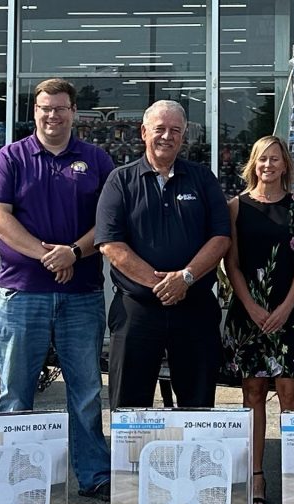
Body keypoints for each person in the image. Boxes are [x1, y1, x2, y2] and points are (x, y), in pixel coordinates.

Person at [0, 78, 114, 502]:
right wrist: (48, 256)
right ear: (34, 112)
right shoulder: (10, 158)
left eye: (60, 108)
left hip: (82, 294)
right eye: (45, 108)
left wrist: (73, 252)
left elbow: (110, 222)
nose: (52, 115)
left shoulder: (97, 160)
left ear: (74, 112)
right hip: (23, 292)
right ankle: (12, 476)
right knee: (16, 391)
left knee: (87, 392)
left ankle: (94, 474)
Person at [95, 100, 231, 409]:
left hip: (195, 306)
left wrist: (185, 278)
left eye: (175, 130)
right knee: (129, 406)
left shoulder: (203, 179)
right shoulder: (120, 180)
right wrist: (163, 285)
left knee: (197, 406)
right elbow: (110, 244)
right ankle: (131, 446)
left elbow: (221, 238)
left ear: (184, 136)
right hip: (137, 310)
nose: (167, 136)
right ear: (144, 132)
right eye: (160, 129)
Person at [222, 136, 294, 504]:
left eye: (275, 159)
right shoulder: (236, 206)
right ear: (253, 163)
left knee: (291, 395)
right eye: (262, 159)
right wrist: (251, 307)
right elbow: (231, 264)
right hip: (248, 314)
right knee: (253, 394)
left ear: (285, 165)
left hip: (290, 313)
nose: (268, 165)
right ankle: (256, 475)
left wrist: (286, 307)